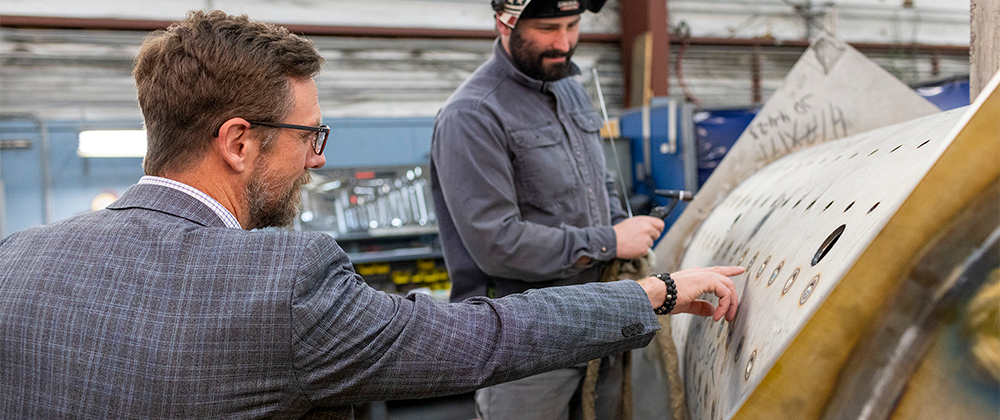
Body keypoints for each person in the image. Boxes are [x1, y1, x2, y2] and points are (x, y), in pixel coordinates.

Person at [0, 10, 741, 420]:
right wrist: (656, 292)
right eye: (310, 136)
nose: (318, 159)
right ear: (237, 142)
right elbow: (486, 336)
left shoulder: (15, 260)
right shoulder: (282, 283)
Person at [429, 0, 687, 418]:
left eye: (572, 25)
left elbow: (599, 182)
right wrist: (610, 242)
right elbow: (497, 243)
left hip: (603, 324)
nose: (564, 43)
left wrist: (624, 228)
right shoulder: (472, 115)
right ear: (504, 21)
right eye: (548, 27)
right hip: (522, 344)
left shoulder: (569, 89)